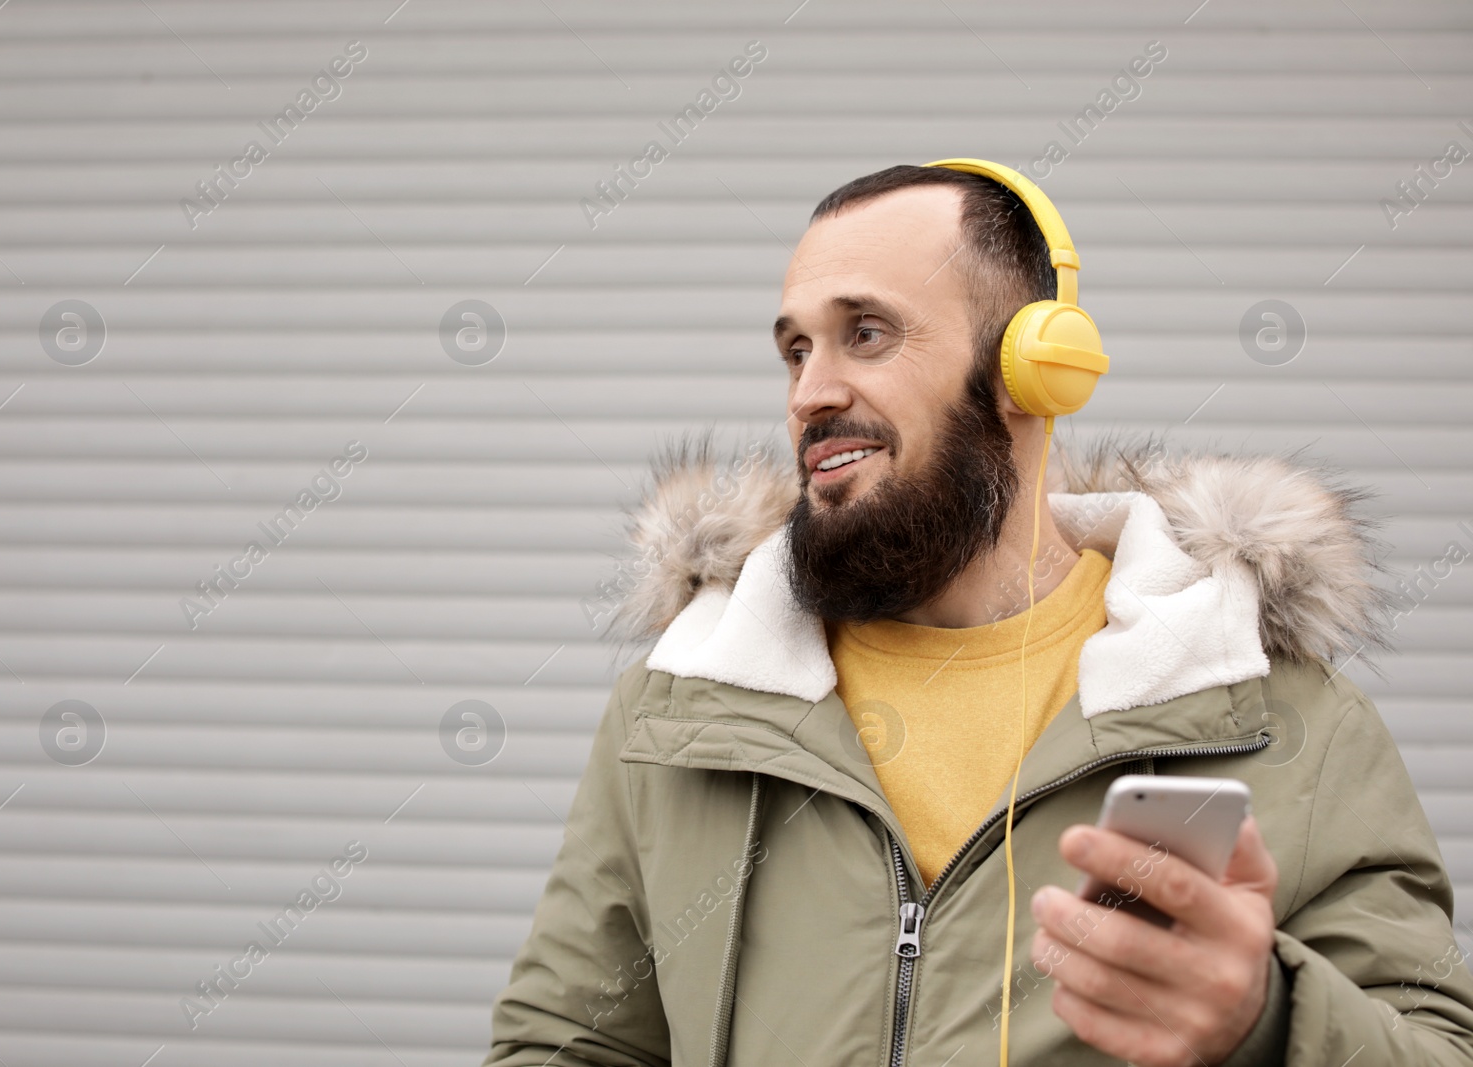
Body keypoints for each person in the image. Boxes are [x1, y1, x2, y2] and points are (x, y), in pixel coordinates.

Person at [483, 162, 1473, 1066]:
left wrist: (1266, 1021)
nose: (810, 393)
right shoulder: (681, 710)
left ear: (1031, 370)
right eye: (795, 350)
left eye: (864, 333)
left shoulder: (1278, 718)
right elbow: (567, 1042)